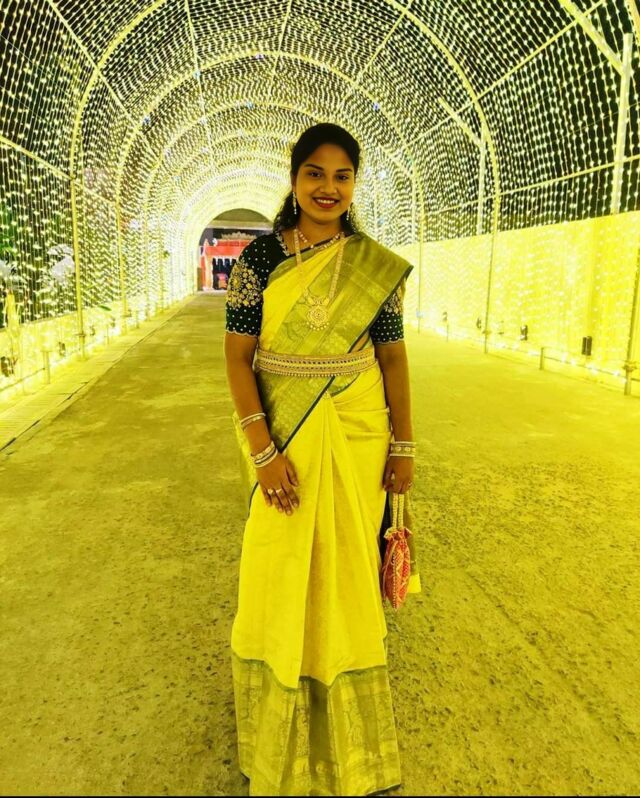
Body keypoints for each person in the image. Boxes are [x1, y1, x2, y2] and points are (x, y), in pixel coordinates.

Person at [223, 122, 419, 796]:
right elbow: (237, 359)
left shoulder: (372, 266)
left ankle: (348, 743)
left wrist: (404, 447)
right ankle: (277, 733)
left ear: (354, 184)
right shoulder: (259, 261)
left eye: (342, 175)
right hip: (282, 431)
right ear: (294, 178)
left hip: (358, 433)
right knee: (274, 565)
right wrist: (262, 451)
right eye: (315, 173)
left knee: (344, 572)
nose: (328, 187)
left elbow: (394, 360)